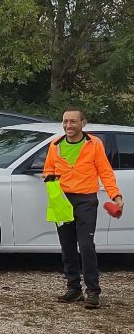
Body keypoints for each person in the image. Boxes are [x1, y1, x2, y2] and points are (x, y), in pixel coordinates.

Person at [43, 109, 124, 309]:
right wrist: (50, 180)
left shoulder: (94, 144)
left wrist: (115, 196)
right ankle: (74, 289)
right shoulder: (55, 145)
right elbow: (48, 169)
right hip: (62, 200)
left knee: (86, 245)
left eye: (73, 121)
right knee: (67, 245)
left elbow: (105, 171)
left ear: (83, 123)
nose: (68, 125)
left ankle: (93, 292)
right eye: (65, 121)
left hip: (86, 200)